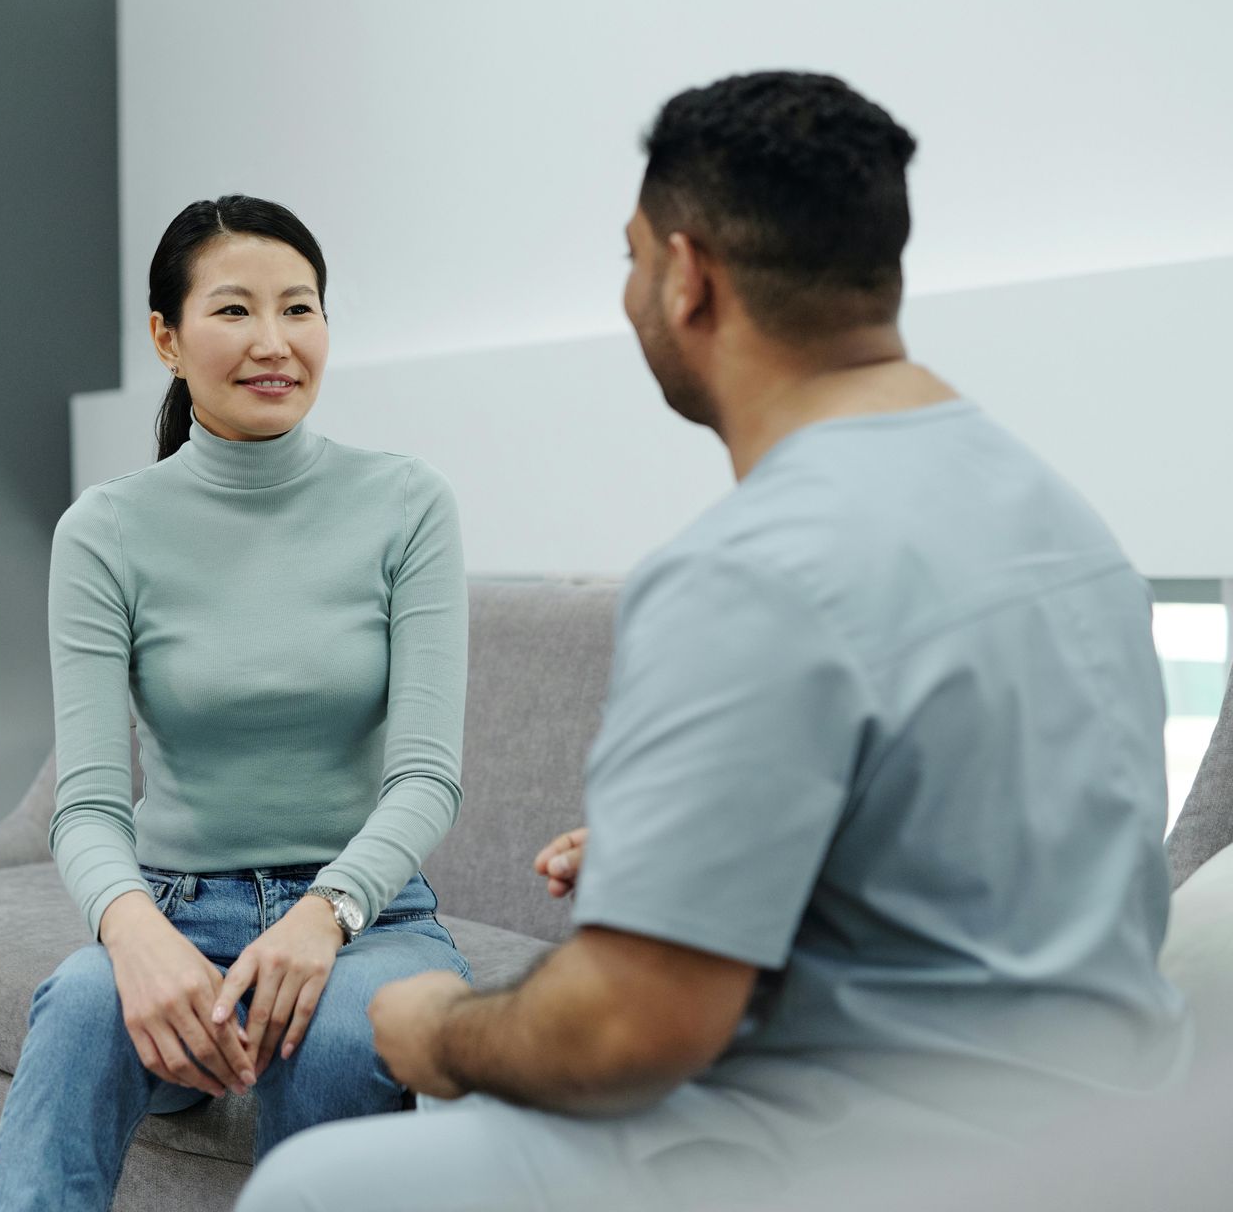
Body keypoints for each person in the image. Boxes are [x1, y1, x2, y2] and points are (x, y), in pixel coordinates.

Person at [237, 71, 1191, 1211]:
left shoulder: (746, 568)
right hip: (1118, 1138)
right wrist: (695, 844)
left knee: (312, 1182)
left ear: (688, 276)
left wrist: (436, 1029)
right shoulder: (1068, 524)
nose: (632, 289)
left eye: (633, 257)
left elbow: (627, 1027)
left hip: (873, 1161)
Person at [0, 195, 473, 1211]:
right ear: (167, 338)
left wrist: (325, 915)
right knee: (80, 1002)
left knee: (338, 1031)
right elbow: (89, 802)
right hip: (175, 912)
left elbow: (427, 776)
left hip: (368, 918)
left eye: (300, 308)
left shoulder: (408, 503)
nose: (274, 342)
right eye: (235, 311)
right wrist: (130, 934)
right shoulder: (106, 530)